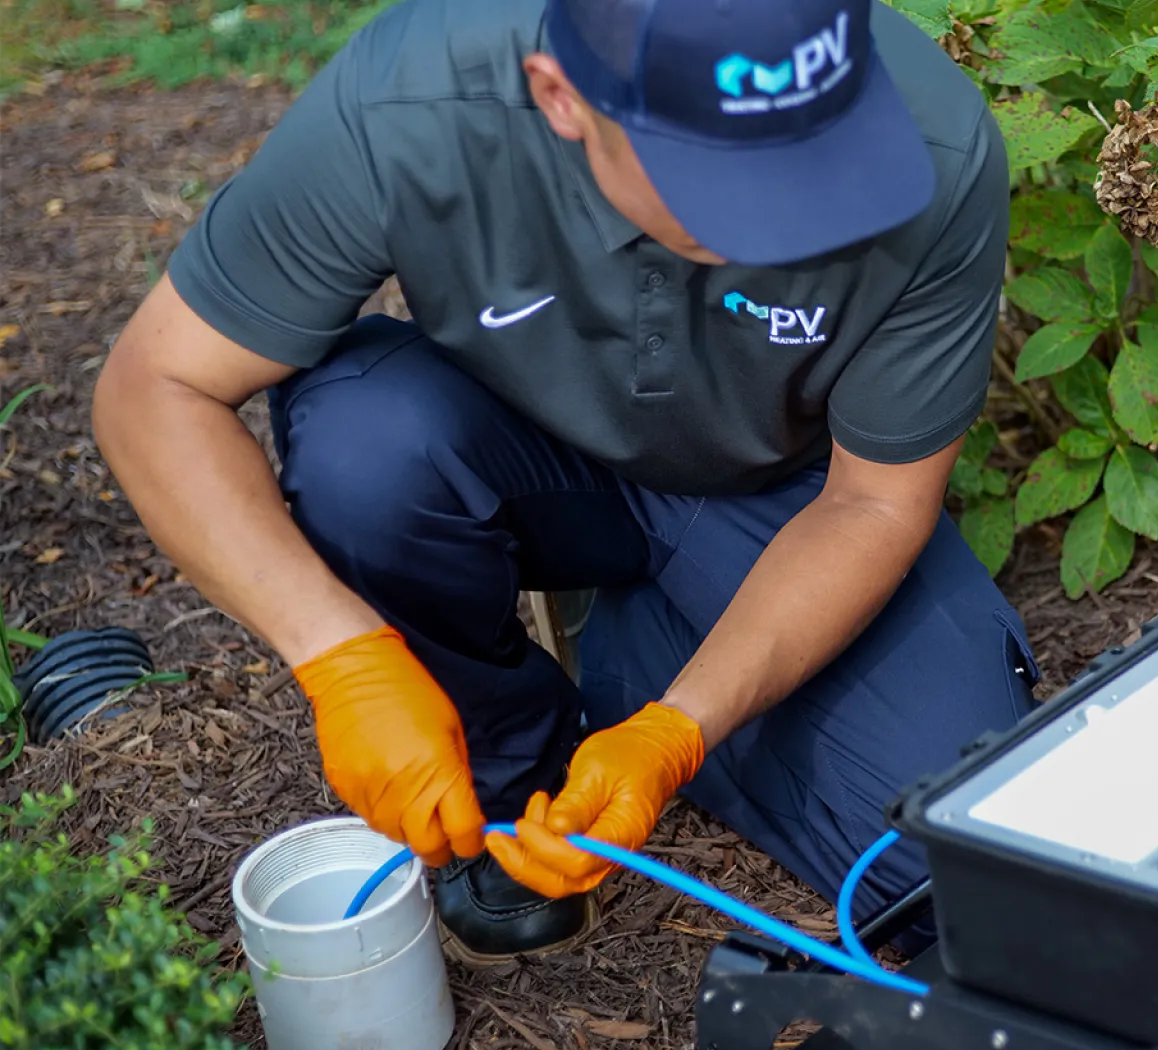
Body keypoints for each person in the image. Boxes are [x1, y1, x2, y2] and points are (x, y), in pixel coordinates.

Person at [91, 0, 1036, 965]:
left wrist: (680, 728)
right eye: (722, 182)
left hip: (780, 496)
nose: (788, 216)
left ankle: (646, 669)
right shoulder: (413, 101)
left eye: (813, 159)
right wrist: (341, 658)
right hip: (516, 443)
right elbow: (153, 389)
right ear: (563, 98)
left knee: (955, 863)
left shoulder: (933, 148)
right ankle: (510, 767)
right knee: (365, 443)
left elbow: (873, 501)